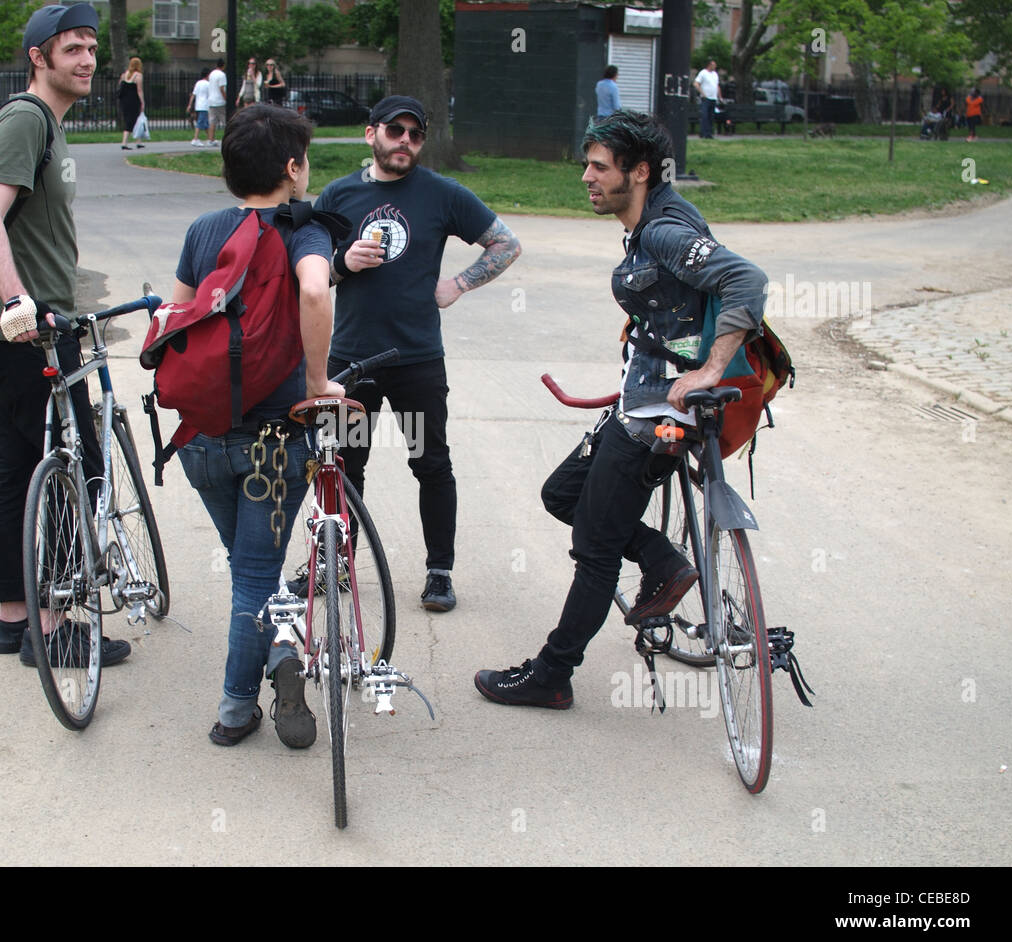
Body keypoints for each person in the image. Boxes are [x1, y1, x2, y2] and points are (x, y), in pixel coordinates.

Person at [475, 110, 767, 708]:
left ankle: (551, 675)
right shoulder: (653, 221)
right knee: (564, 494)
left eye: (600, 167)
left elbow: (747, 280)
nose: (587, 177)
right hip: (642, 402)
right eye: (588, 164)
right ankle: (662, 559)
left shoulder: (663, 232)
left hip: (660, 414)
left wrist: (710, 369)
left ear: (639, 172)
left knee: (596, 546)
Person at [169, 104, 345, 747]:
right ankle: (236, 709)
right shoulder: (304, 229)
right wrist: (318, 382)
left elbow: (178, 315)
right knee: (254, 578)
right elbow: (316, 292)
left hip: (201, 440)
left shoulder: (203, 230)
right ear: (293, 169)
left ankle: (280, 654)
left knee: (252, 571)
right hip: (273, 445)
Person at [313, 95, 522, 613]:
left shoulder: (441, 193)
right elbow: (311, 276)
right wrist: (343, 263)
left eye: (415, 133)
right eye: (395, 130)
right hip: (350, 362)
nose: (405, 141)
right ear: (371, 134)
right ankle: (337, 566)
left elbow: (505, 244)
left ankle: (439, 573)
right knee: (342, 467)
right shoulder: (337, 195)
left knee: (430, 464)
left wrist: (458, 284)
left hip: (416, 360)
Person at [0, 3, 128, 669]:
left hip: (36, 327)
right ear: (39, 57)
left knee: (20, 467)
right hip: (25, 333)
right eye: (72, 49)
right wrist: (18, 302)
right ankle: (53, 626)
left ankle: (14, 618)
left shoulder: (50, 127)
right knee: (74, 468)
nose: (87, 60)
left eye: (91, 47)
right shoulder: (26, 120)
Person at [117, 56, 145, 150]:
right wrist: (142, 102)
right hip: (133, 101)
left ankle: (138, 141)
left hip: (124, 101)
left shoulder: (124, 75)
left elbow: (120, 86)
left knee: (132, 120)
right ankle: (124, 142)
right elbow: (139, 90)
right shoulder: (138, 76)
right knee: (132, 120)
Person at [694, 60, 720, 139]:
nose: (715, 66)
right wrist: (702, 93)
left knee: (711, 116)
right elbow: (696, 83)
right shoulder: (703, 73)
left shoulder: (715, 74)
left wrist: (719, 96)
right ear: (709, 65)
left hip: (713, 98)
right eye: (713, 65)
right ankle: (704, 133)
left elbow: (717, 85)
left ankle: (709, 133)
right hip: (706, 98)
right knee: (705, 116)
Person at [186, 67, 210, 146]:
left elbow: (193, 94)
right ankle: (195, 139)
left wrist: (189, 105)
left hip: (198, 105)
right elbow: (210, 95)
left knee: (205, 123)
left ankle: (210, 139)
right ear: (207, 75)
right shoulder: (208, 84)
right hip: (204, 106)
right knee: (200, 122)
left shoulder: (198, 83)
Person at [207, 58, 228, 146]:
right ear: (223, 65)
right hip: (220, 101)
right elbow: (222, 88)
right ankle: (227, 139)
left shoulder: (211, 74)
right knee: (226, 121)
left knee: (212, 122)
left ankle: (211, 140)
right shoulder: (222, 75)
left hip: (211, 101)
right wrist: (226, 98)